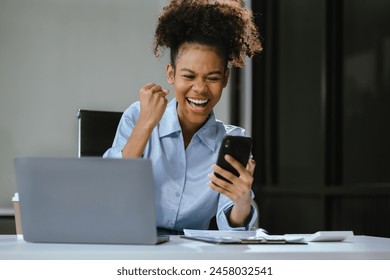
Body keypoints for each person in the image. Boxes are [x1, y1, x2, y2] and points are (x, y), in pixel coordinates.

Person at [103, 0, 262, 234]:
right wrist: (145, 125)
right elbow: (108, 190)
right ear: (171, 74)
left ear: (226, 79)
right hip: (131, 244)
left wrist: (242, 201)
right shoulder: (137, 115)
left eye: (213, 78)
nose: (199, 88)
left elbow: (233, 230)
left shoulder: (231, 140)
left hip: (190, 253)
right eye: (188, 76)